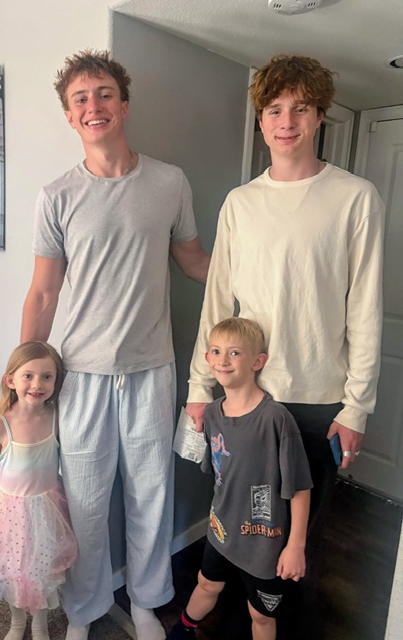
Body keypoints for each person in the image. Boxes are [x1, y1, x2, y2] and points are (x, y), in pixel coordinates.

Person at [186, 54, 384, 638]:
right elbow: (218, 301)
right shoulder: (240, 203)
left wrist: (357, 407)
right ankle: (227, 613)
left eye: (300, 108)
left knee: (296, 535)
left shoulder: (355, 197)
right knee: (238, 516)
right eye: (274, 110)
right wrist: (200, 384)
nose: (287, 121)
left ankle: (279, 620)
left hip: (319, 400)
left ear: (320, 115)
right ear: (261, 120)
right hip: (243, 395)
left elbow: (365, 308)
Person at [20, 50, 210, 640]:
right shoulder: (56, 195)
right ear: (70, 116)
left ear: (123, 105)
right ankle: (84, 609)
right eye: (80, 99)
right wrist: (23, 381)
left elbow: (194, 262)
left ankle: (148, 601)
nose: (93, 105)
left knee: (152, 494)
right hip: (81, 375)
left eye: (104, 93)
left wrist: (259, 278)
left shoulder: (170, 181)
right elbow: (44, 292)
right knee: (85, 501)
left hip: (152, 369)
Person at [167, 317, 312, 640]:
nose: (223, 360)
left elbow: (300, 487)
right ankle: (183, 629)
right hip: (221, 529)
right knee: (207, 583)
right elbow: (220, 474)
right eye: (216, 351)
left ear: (257, 362)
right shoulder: (212, 414)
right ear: (207, 358)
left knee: (260, 614)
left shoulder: (276, 419)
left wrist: (295, 546)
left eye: (234, 353)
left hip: (264, 540)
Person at [0, 342, 78, 640]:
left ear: (56, 381)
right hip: (9, 517)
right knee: (12, 572)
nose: (37, 385)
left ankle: (39, 624)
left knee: (42, 571)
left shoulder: (57, 418)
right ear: (11, 380)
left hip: (46, 513)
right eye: (28, 376)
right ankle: (17, 622)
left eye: (47, 377)